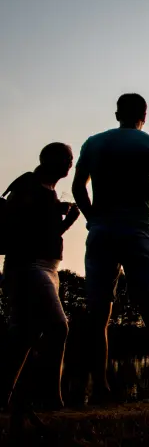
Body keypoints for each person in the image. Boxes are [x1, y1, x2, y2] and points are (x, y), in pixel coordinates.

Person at [72, 93, 149, 401]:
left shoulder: (93, 143)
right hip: (138, 231)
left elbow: (78, 187)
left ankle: (100, 388)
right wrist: (140, 190)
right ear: (145, 114)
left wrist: (93, 219)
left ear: (117, 113)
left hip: (102, 231)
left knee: (98, 313)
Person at [0, 143, 80, 411]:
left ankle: (4, 398)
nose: (70, 163)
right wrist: (57, 216)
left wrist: (65, 219)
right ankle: (51, 398)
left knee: (23, 336)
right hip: (28, 266)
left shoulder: (49, 191)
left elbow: (48, 232)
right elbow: (21, 231)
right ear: (47, 159)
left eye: (71, 159)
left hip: (47, 267)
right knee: (59, 327)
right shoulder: (28, 186)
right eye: (66, 158)